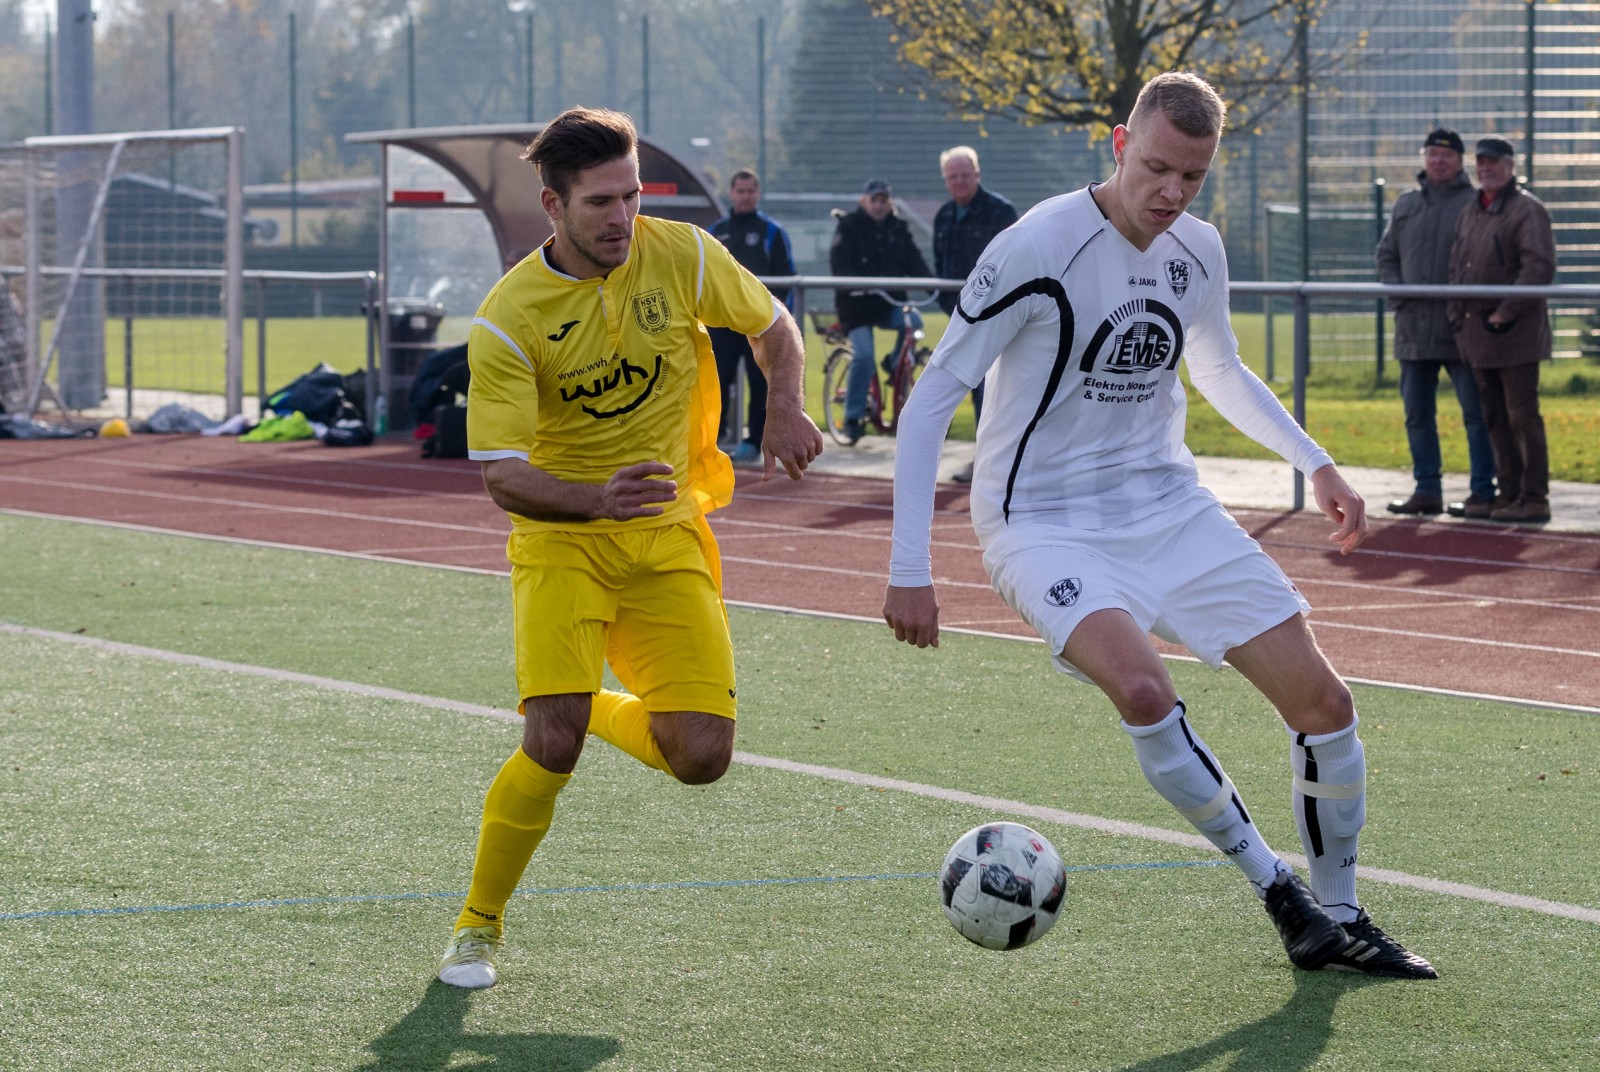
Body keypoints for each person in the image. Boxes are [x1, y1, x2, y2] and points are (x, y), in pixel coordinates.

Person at [882, 72, 1436, 979]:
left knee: (1326, 707)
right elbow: (934, 395)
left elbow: (1218, 369)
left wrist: (1316, 461)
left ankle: (1343, 914)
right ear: (1117, 144)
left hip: (1170, 507)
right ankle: (1279, 892)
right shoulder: (1037, 245)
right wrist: (911, 564)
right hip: (1041, 523)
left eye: (1193, 176)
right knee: (1142, 690)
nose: (1171, 193)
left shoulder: (1198, 250)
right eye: (1156, 167)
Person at [440, 106, 823, 989]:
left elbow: (771, 325)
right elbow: (501, 475)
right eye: (602, 202)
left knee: (701, 756)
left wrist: (786, 401)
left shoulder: (681, 255)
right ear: (553, 205)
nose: (623, 218)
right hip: (561, 543)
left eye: (634, 194)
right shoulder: (507, 320)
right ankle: (477, 925)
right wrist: (592, 499)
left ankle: (596, 702)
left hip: (666, 535)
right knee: (552, 741)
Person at [1376, 128, 1496, 518]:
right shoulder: (1407, 203)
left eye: (1446, 155)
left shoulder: (1474, 202)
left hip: (1460, 329)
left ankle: (1483, 491)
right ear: (1424, 157)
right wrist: (1400, 296)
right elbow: (1386, 255)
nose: (1438, 161)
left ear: (1459, 160)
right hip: (1414, 329)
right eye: (1431, 154)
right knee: (1416, 415)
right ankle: (1427, 490)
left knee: (1476, 414)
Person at [1447, 137, 1557, 525]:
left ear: (1511, 166)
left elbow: (1538, 268)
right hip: (1477, 338)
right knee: (1493, 417)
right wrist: (1456, 314)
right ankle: (1508, 493)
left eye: (1494, 163)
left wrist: (1504, 315)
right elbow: (1458, 267)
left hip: (1516, 337)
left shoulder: (1527, 210)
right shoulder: (1472, 210)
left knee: (1522, 416)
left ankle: (1534, 496)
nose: (1486, 169)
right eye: (1481, 163)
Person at [933, 146, 1019, 484]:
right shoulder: (943, 216)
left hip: (995, 315)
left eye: (964, 176)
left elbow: (1014, 260)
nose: (958, 182)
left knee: (994, 387)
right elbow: (941, 263)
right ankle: (989, 459)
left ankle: (991, 461)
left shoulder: (1000, 211)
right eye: (952, 177)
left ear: (977, 175)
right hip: (958, 316)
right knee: (966, 382)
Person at [829, 178, 933, 445]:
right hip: (856, 306)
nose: (878, 205)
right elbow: (840, 264)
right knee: (863, 355)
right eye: (873, 200)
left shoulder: (898, 229)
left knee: (914, 320)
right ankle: (852, 419)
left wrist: (933, 283)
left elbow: (915, 261)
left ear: (890, 203)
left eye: (883, 200)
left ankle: (894, 363)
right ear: (864, 202)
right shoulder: (849, 226)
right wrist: (857, 285)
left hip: (889, 303)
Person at [708, 168, 797, 464]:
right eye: (740, 191)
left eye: (750, 191)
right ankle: (712, 440)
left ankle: (752, 441)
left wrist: (781, 321)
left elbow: (787, 279)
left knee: (760, 383)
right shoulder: (715, 231)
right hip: (722, 323)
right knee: (715, 381)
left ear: (757, 194)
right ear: (731, 193)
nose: (745, 196)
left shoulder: (772, 231)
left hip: (759, 324)